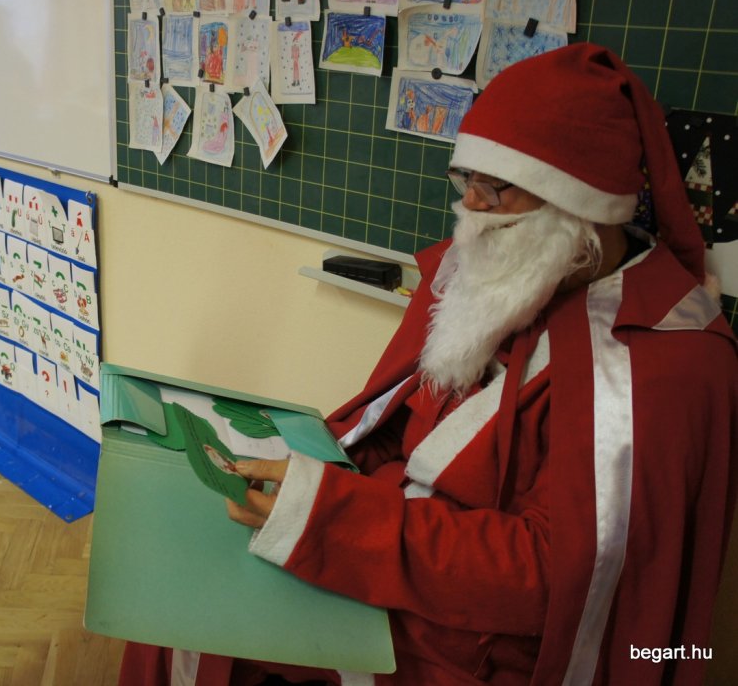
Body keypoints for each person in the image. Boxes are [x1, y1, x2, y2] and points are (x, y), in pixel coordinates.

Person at [119, 43, 737, 684]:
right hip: (394, 547)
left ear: (579, 203)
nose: (471, 207)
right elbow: (400, 424)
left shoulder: (664, 365)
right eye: (464, 180)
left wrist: (329, 520)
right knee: (178, 575)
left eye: (495, 187)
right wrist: (309, 474)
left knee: (192, 618)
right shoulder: (501, 275)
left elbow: (555, 581)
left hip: (471, 636)